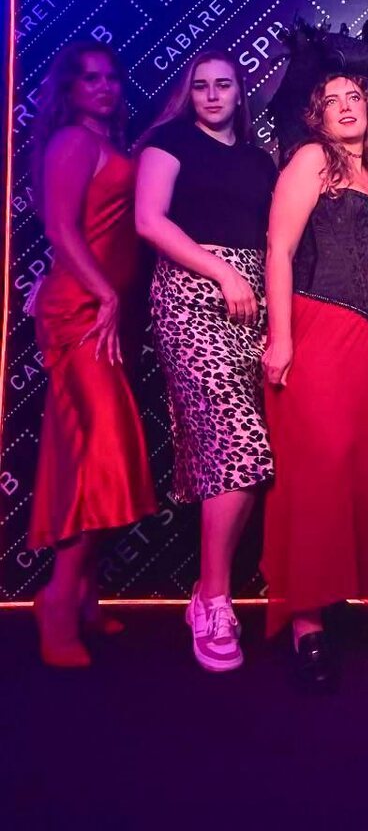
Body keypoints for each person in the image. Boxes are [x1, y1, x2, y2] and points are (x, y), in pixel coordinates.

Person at [262, 23, 368, 690]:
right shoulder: (310, 162)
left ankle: (340, 597)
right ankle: (305, 619)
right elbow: (280, 251)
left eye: (355, 97)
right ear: (315, 115)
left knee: (360, 468)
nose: (345, 107)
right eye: (332, 100)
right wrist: (282, 337)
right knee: (315, 473)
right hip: (318, 331)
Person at [135, 51, 276, 673]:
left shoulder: (259, 160)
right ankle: (213, 599)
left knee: (233, 450)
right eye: (201, 86)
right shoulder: (170, 142)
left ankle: (208, 592)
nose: (213, 95)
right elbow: (148, 220)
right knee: (240, 443)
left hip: (251, 304)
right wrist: (221, 272)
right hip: (192, 296)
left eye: (224, 85)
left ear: (240, 91)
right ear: (188, 93)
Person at [29, 42, 156, 667]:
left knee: (97, 455)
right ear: (71, 89)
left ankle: (82, 593)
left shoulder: (112, 143)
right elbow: (59, 229)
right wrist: (105, 292)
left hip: (106, 317)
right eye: (90, 78)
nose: (104, 87)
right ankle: (57, 600)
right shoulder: (72, 142)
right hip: (79, 313)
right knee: (99, 454)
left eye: (111, 77)